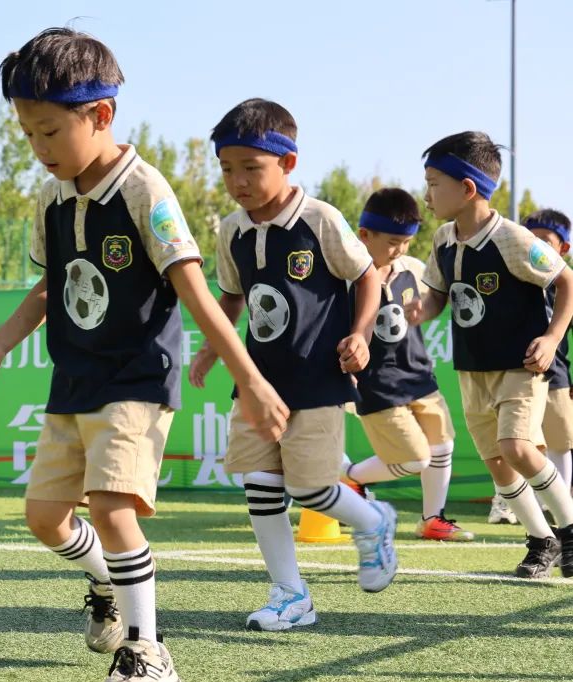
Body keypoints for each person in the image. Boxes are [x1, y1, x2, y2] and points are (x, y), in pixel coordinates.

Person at [0, 28, 288, 682]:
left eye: (48, 131)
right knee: (46, 517)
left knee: (111, 507)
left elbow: (196, 290)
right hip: (73, 381)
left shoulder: (144, 190)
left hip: (136, 380)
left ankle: (149, 652)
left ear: (100, 115)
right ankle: (106, 582)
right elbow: (51, 288)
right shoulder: (50, 199)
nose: (37, 148)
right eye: (26, 133)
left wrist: (250, 381)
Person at [191, 98, 398, 633]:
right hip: (258, 382)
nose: (238, 181)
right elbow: (233, 296)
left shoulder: (319, 219)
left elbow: (367, 275)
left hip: (317, 379)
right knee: (259, 482)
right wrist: (214, 345)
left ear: (288, 163)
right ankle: (290, 593)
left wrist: (360, 332)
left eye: (251, 168)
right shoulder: (231, 230)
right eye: (228, 168)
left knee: (310, 489)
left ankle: (373, 520)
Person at [408, 132, 573, 578]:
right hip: (472, 368)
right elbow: (438, 296)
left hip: (519, 366)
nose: (426, 195)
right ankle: (542, 540)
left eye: (434, 183)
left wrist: (552, 338)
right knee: (498, 464)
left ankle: (570, 526)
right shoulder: (443, 239)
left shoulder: (514, 239)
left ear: (467, 189)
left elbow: (567, 281)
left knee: (517, 447)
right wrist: (418, 311)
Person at [340, 188, 471, 541]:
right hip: (374, 382)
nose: (402, 249)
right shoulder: (342, 277)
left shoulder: (413, 269)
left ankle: (432, 519)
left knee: (442, 444)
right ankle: (349, 476)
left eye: (408, 241)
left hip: (419, 375)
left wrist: (426, 308)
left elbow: (436, 299)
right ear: (364, 235)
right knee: (415, 459)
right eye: (395, 241)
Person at [524, 209, 573, 498]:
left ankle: (561, 506)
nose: (536, 247)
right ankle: (504, 503)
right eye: (530, 240)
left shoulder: (565, 288)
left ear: (563, 248)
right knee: (513, 443)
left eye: (544, 241)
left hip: (555, 377)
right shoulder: (511, 281)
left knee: (559, 443)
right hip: (512, 373)